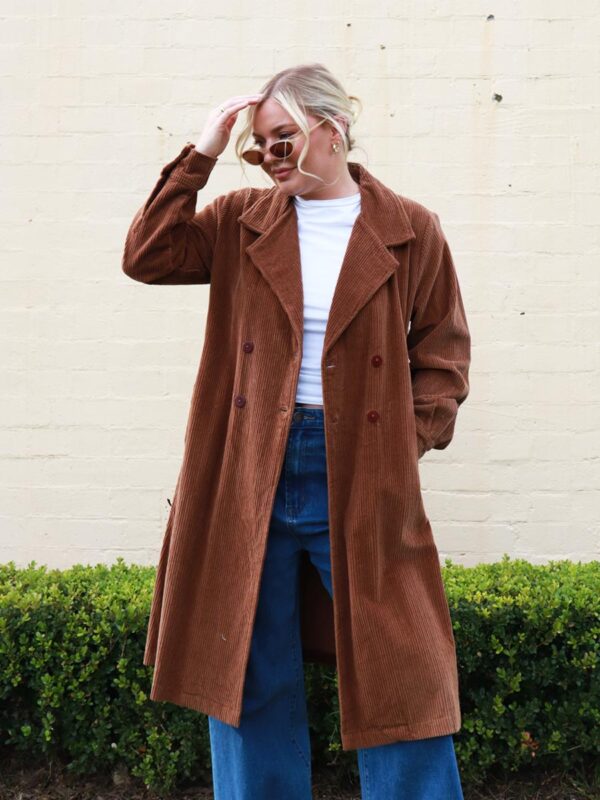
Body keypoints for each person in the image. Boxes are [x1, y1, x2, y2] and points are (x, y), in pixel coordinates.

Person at [122, 62, 470, 800]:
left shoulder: (409, 229)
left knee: (401, 661)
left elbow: (442, 353)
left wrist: (403, 445)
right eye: (259, 147)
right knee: (246, 659)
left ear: (333, 129)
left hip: (360, 465)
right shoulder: (241, 219)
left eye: (284, 139)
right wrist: (204, 152)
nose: (271, 157)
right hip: (250, 465)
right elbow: (147, 256)